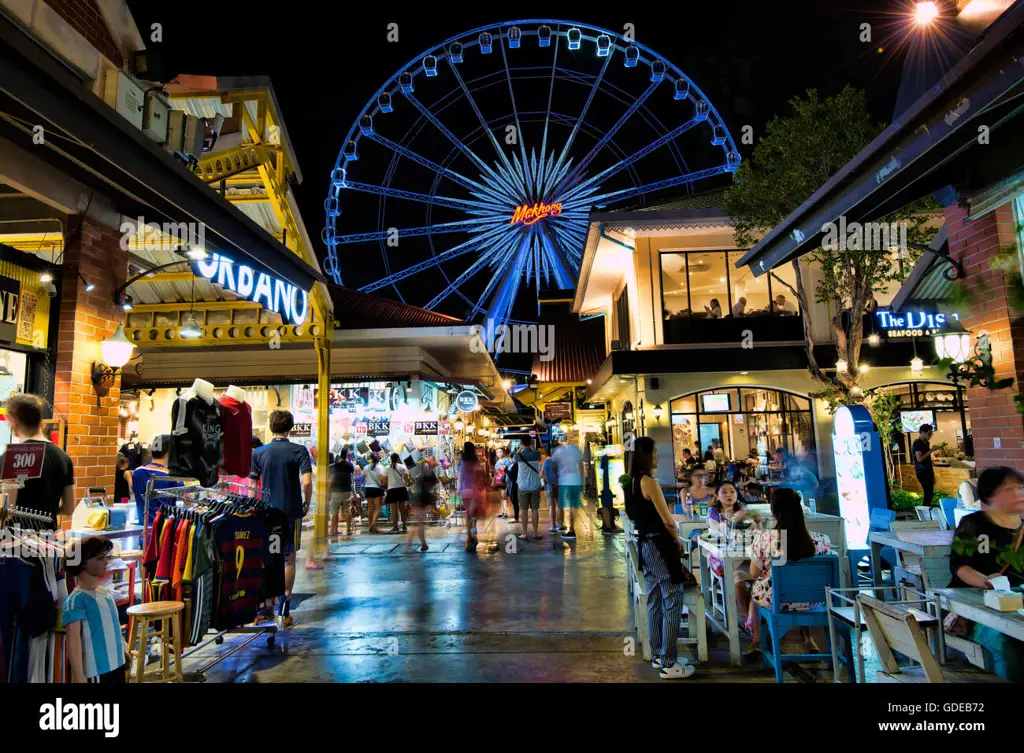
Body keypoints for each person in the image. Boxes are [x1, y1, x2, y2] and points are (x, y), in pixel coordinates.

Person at [627, 437, 695, 679]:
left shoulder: (632, 483)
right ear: (646, 455)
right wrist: (676, 540)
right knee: (672, 598)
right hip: (659, 544)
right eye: (654, 453)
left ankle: (659, 654)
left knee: (655, 598)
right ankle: (669, 662)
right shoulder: (649, 482)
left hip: (646, 544)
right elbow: (667, 519)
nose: (657, 457)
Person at [948, 466, 1024, 681]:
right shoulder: (973, 524)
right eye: (1010, 489)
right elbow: (960, 567)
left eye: (1021, 487)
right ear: (991, 495)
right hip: (976, 608)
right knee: (1005, 642)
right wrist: (984, 581)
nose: (1019, 494)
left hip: (1017, 605)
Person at [744, 488, 832, 650]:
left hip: (776, 600)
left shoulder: (764, 538)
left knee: (754, 588)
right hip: (813, 601)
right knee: (802, 583)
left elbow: (754, 573)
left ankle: (757, 640)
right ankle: (809, 639)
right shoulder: (823, 540)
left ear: (773, 511)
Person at [250, 409, 314, 627]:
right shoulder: (299, 451)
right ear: (291, 428)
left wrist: (253, 510)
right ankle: (284, 611)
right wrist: (306, 501)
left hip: (267, 515)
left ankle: (264, 609)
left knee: (269, 559)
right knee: (289, 558)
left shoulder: (259, 453)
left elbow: (252, 487)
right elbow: (306, 482)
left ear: (271, 427)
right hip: (291, 513)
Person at [1, 394, 75, 529]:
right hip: (48, 539)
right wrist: (46, 514)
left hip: (16, 541)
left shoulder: (15, 455)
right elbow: (69, 508)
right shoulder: (63, 457)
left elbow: (7, 509)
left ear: (14, 420)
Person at [63, 536, 125, 683]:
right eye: (100, 558)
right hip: (96, 670)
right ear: (83, 563)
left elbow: (113, 628)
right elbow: (73, 641)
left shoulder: (105, 593)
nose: (105, 562)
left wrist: (123, 650)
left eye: (106, 557)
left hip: (117, 664)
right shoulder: (75, 600)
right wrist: (79, 675)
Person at [552, 440, 584, 538]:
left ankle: (567, 528)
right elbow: (581, 466)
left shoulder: (559, 450)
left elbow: (553, 464)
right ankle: (571, 528)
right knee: (573, 506)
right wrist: (582, 481)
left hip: (564, 481)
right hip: (575, 479)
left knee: (565, 506)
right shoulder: (575, 449)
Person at [458, 441, 486, 551]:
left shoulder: (462, 462)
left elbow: (460, 476)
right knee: (472, 513)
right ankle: (473, 531)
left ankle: (469, 535)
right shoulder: (476, 462)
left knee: (468, 515)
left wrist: (459, 489)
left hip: (465, 490)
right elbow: (481, 475)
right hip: (474, 490)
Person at [515, 437, 543, 541]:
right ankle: (535, 533)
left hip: (522, 486)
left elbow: (513, 458)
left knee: (524, 510)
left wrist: (520, 449)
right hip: (535, 485)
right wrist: (532, 448)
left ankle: (525, 533)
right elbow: (538, 457)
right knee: (535, 509)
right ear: (531, 443)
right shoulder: (537, 454)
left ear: (521, 443)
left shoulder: (518, 456)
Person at [913, 424, 946, 506]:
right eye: (928, 434)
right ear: (922, 433)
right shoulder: (917, 443)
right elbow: (919, 459)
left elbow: (927, 458)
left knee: (930, 492)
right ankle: (926, 510)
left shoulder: (926, 443)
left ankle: (927, 509)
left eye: (931, 434)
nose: (930, 436)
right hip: (922, 471)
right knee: (928, 492)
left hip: (928, 470)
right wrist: (931, 450)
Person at [405, 462, 435, 552]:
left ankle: (423, 544)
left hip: (417, 501)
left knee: (417, 524)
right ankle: (409, 546)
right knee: (417, 524)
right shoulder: (422, 476)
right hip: (419, 502)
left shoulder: (418, 476)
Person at [330, 447, 356, 536]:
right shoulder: (350, 465)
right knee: (347, 511)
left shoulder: (335, 466)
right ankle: (348, 530)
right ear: (347, 455)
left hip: (336, 491)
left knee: (334, 512)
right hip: (347, 491)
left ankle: (333, 530)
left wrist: (329, 491)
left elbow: (332, 479)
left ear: (340, 455)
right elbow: (351, 477)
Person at [386, 453, 411, 533]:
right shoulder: (402, 466)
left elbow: (385, 479)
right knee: (402, 509)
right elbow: (406, 476)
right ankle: (404, 526)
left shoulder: (387, 468)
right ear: (397, 459)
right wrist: (407, 484)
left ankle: (395, 527)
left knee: (394, 510)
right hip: (401, 488)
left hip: (391, 489)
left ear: (391, 459)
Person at [363, 454, 386, 533]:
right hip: (376, 488)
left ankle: (371, 526)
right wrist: (383, 483)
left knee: (370, 508)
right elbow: (381, 479)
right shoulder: (379, 467)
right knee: (378, 508)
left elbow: (363, 478)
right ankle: (373, 523)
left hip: (368, 488)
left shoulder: (366, 467)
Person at [543, 441, 561, 533]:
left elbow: (542, 474)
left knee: (551, 506)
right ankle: (560, 524)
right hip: (558, 485)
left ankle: (553, 525)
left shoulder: (546, 462)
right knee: (559, 505)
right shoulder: (559, 461)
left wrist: (548, 482)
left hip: (549, 486)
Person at [493, 448, 513, 519]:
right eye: (498, 452)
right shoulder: (498, 461)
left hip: (505, 480)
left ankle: (505, 512)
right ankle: (502, 511)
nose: (499, 453)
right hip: (499, 480)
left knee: (504, 497)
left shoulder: (507, 460)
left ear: (504, 452)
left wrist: (504, 469)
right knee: (501, 497)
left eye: (501, 452)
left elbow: (511, 469)